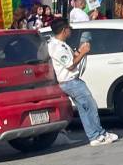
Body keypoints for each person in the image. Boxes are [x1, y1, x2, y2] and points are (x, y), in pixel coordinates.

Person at [46, 17, 118, 147]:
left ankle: (95, 135)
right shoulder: (57, 47)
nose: (70, 31)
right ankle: (98, 134)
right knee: (90, 106)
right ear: (64, 30)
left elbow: (70, 58)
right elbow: (70, 65)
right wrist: (83, 53)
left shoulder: (60, 44)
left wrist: (79, 50)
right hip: (70, 82)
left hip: (72, 81)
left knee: (84, 109)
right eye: (69, 29)